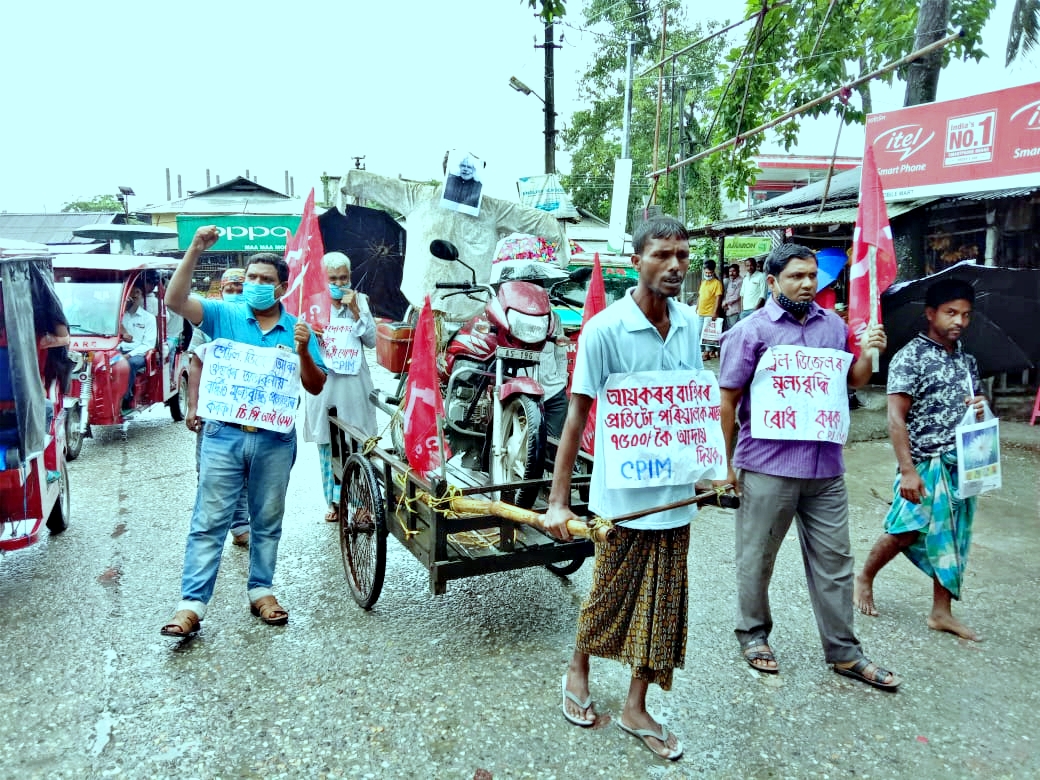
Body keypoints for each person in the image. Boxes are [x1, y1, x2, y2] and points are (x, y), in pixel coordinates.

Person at [544, 215, 702, 761]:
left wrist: (710, 466)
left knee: (662, 606)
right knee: (607, 597)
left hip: (675, 498)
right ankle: (577, 667)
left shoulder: (691, 323)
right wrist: (558, 500)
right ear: (636, 261)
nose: (675, 265)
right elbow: (575, 417)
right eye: (662, 254)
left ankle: (637, 705)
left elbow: (693, 407)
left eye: (682, 254)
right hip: (622, 501)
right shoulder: (605, 330)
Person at [717, 242, 902, 691]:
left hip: (825, 469)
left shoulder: (833, 327)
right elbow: (727, 400)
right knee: (757, 558)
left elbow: (849, 382)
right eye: (796, 275)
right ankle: (754, 635)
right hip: (767, 466)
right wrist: (724, 467)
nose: (806, 283)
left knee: (835, 562)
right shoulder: (750, 331)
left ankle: (844, 652)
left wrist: (868, 355)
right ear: (773, 281)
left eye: (812, 275)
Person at [160, 227, 326, 638]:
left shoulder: (298, 329)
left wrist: (304, 351)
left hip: (274, 439)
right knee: (209, 520)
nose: (255, 285)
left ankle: (262, 591)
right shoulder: (223, 314)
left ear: (282, 287)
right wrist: (195, 250)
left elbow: (316, 385)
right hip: (223, 435)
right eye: (251, 277)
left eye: (265, 280)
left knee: (267, 520)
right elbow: (175, 300)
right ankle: (191, 605)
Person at [854, 279, 986, 641]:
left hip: (960, 465)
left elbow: (979, 411)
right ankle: (865, 576)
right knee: (904, 529)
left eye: (965, 315)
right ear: (931, 314)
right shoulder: (910, 356)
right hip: (923, 462)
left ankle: (941, 612)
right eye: (951, 313)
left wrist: (982, 407)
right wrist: (908, 471)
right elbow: (896, 418)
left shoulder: (967, 361)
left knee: (954, 537)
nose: (959, 321)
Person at [302, 252, 378, 523]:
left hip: (355, 385)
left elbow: (371, 341)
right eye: (332, 278)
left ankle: (361, 503)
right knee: (327, 444)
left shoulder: (360, 300)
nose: (338, 282)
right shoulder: (311, 304)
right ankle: (334, 501)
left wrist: (357, 311)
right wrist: (311, 331)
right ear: (322, 279)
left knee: (357, 442)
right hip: (324, 385)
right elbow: (298, 344)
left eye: (343, 277)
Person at [184, 267, 250, 547]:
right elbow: (195, 365)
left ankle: (240, 523)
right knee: (209, 472)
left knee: (244, 470)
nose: (235, 294)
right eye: (230, 289)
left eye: (240, 289)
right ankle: (210, 529)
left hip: (246, 410)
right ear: (221, 291)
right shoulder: (207, 322)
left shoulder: (256, 322)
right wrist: (192, 406)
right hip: (213, 409)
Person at [119, 283, 156, 409]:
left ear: (141, 296)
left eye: (137, 292)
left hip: (138, 353)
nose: (134, 295)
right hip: (119, 349)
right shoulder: (119, 316)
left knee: (129, 364)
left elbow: (148, 344)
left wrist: (128, 355)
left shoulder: (149, 318)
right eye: (131, 292)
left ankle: (126, 396)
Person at [696, 260, 724, 360]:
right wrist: (697, 307)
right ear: (703, 271)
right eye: (706, 272)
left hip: (710, 313)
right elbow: (700, 296)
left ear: (713, 272)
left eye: (710, 273)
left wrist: (715, 312)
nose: (708, 274)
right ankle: (702, 351)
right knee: (699, 333)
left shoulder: (717, 283)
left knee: (708, 335)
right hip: (701, 312)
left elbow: (718, 298)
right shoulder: (703, 283)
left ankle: (707, 353)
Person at [721, 263, 743, 331]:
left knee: (734, 330)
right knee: (729, 330)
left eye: (734, 271)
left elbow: (737, 296)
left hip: (735, 310)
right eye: (730, 271)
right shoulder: (730, 281)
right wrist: (724, 302)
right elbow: (727, 294)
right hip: (728, 310)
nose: (731, 273)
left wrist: (725, 302)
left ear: (738, 271)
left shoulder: (740, 281)